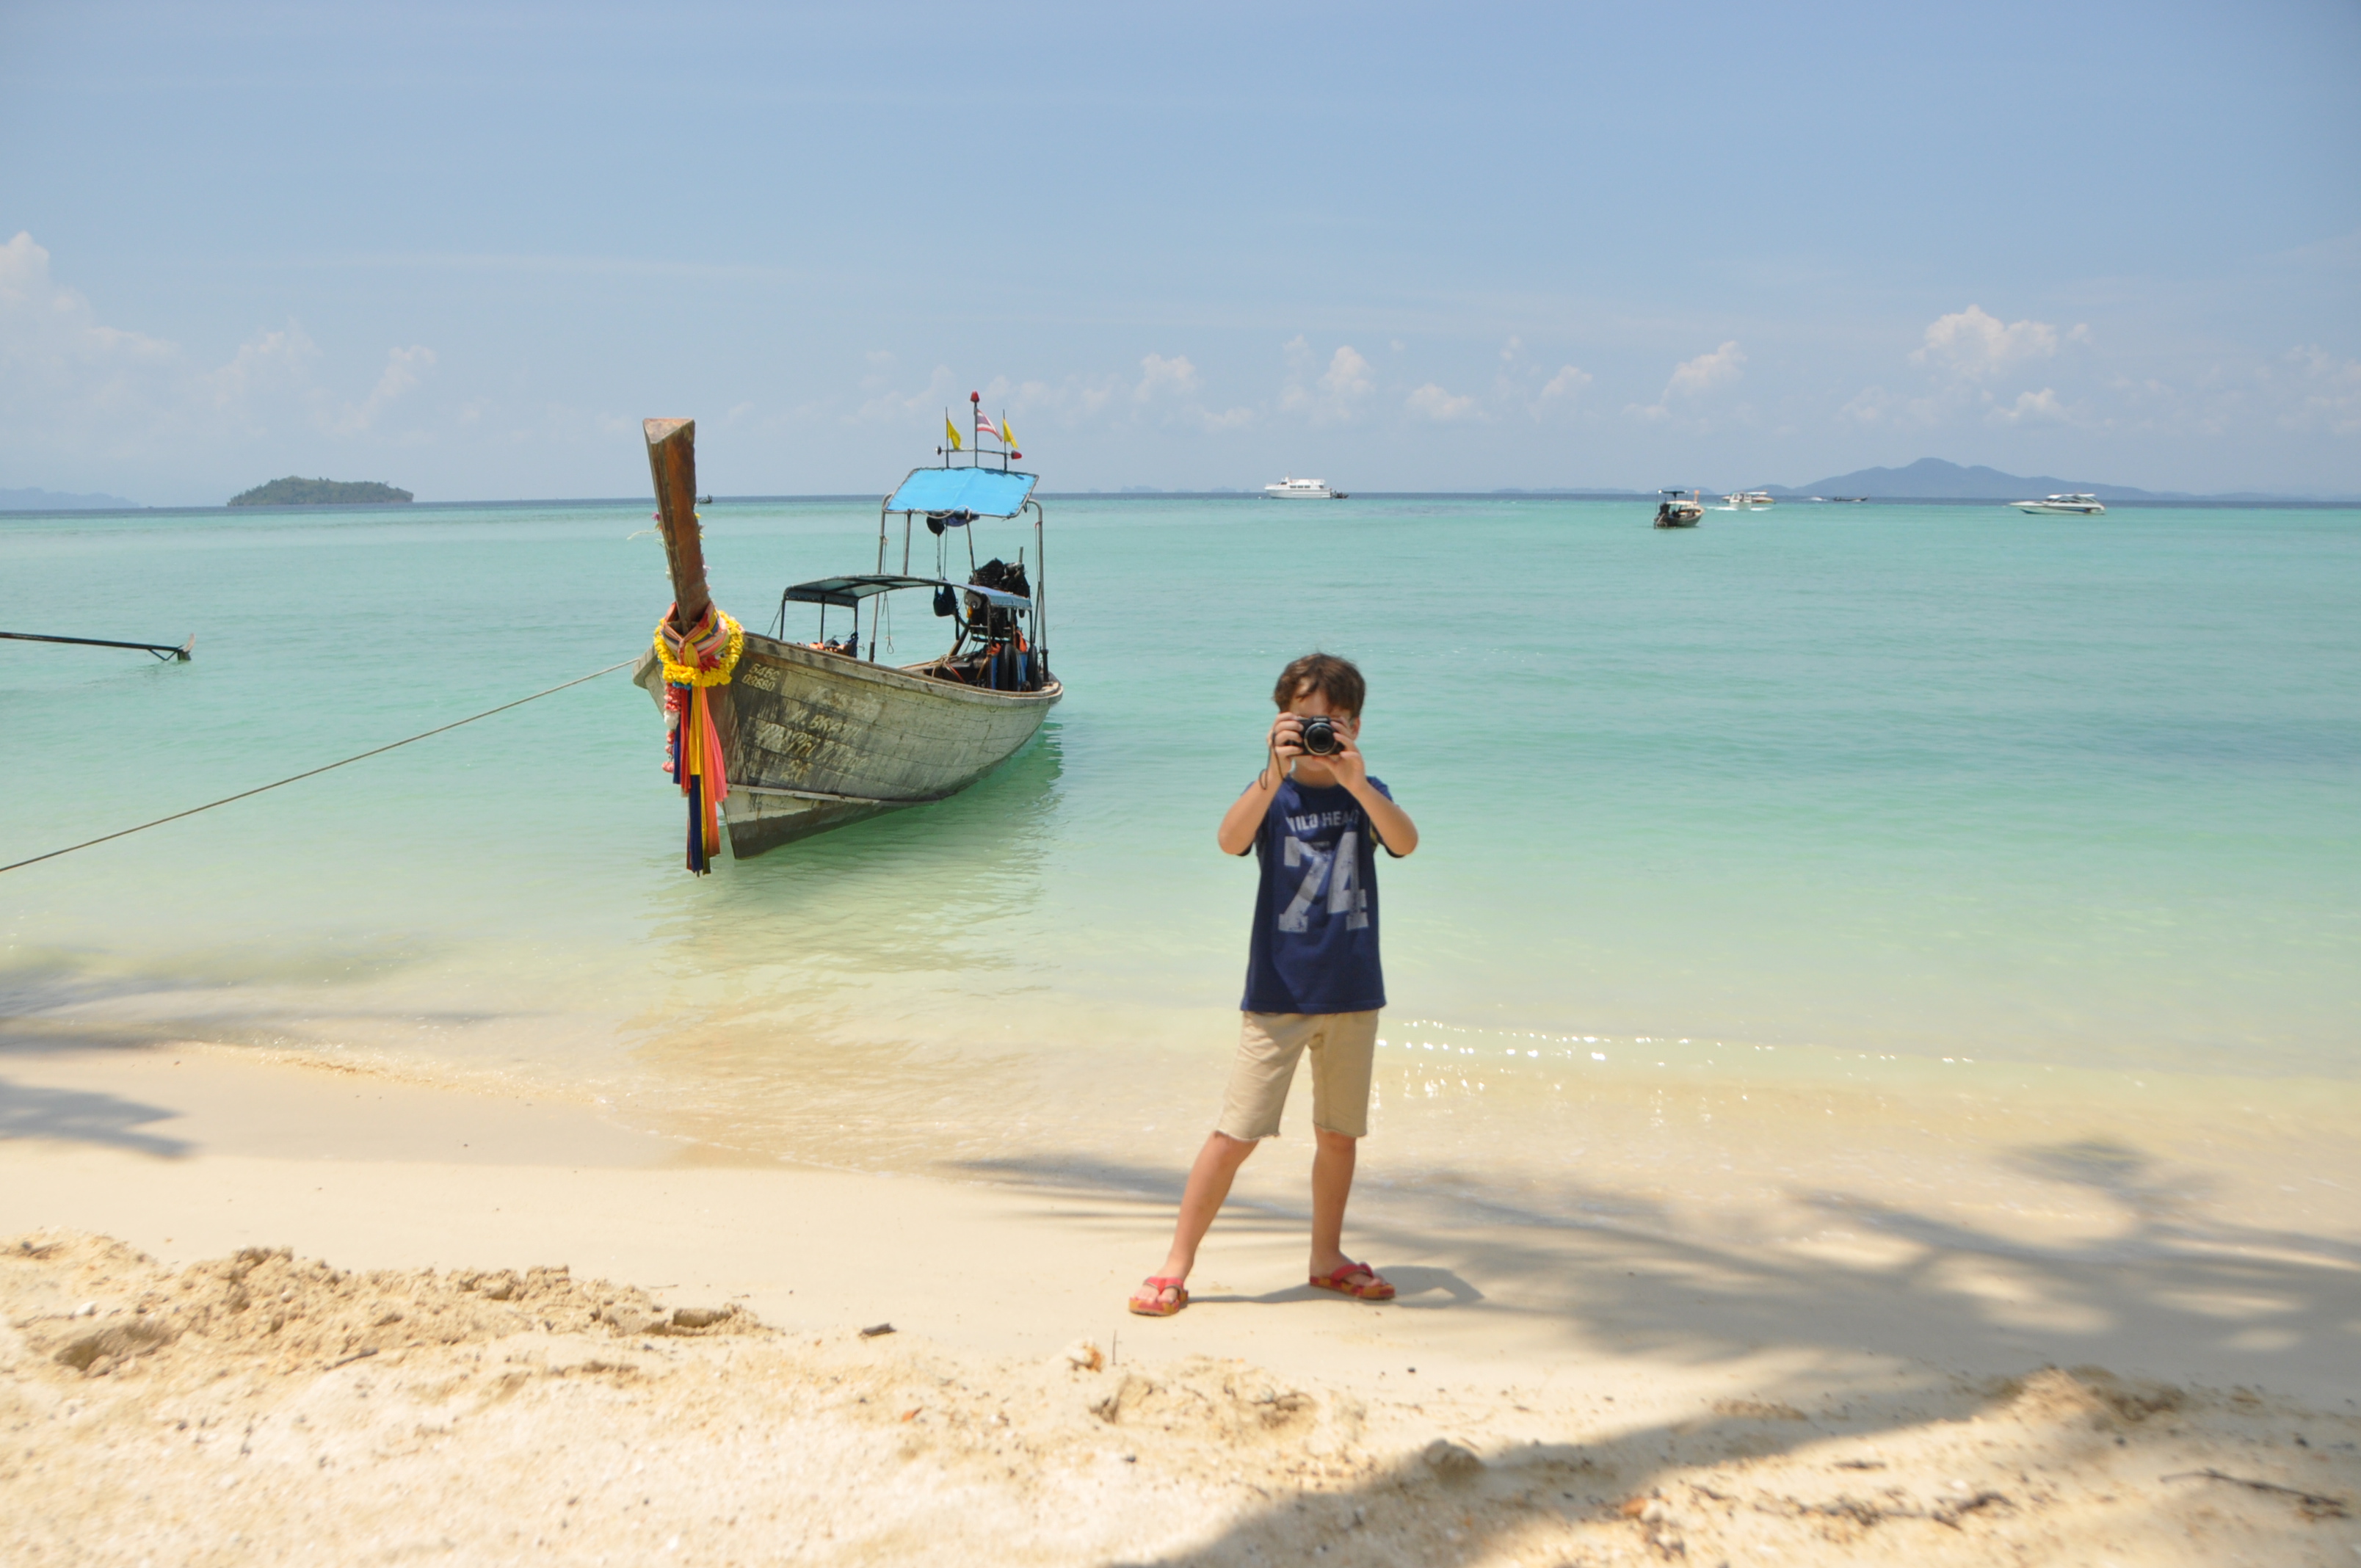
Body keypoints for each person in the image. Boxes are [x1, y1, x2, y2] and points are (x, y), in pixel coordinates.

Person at [1129, 652, 1420, 1317]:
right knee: (1236, 1134)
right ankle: (1176, 1264)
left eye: (1333, 722)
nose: (1319, 734)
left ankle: (1327, 1257)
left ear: (1355, 726)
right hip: (1278, 995)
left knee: (1340, 1136)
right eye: (1305, 721)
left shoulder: (1367, 791)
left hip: (1353, 992)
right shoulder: (1272, 793)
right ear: (1281, 722)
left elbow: (1405, 843)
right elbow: (1229, 841)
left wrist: (1357, 782)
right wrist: (1272, 770)